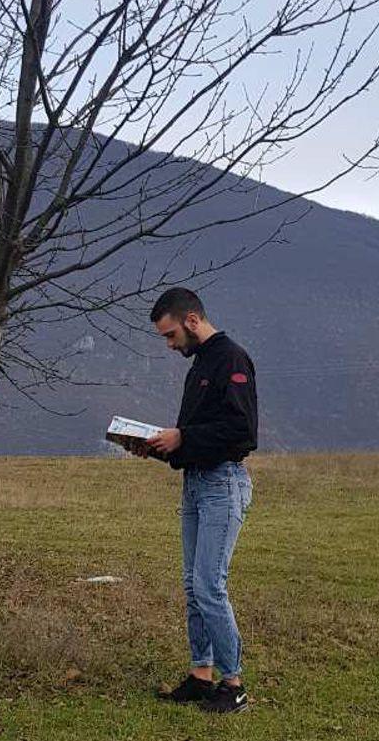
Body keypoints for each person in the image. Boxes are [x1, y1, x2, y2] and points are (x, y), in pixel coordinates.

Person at [134, 287, 257, 715]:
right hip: (196, 482)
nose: (169, 346)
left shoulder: (232, 359)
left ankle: (234, 685)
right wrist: (162, 447)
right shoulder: (200, 364)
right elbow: (200, 434)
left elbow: (241, 432)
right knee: (193, 586)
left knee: (209, 585)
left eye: (170, 335)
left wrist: (183, 437)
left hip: (223, 484)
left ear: (191, 320)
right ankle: (201, 676)